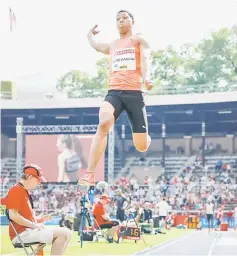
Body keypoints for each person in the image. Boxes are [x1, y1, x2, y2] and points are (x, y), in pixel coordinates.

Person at [79, 10, 153, 186]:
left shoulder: (138, 39)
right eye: (118, 19)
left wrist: (147, 77)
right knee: (104, 122)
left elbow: (146, 57)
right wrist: (89, 35)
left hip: (134, 92)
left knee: (141, 146)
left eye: (124, 18)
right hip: (114, 92)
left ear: (132, 21)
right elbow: (97, 46)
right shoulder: (113, 45)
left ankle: (146, 137)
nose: (121, 21)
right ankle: (89, 173)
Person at [5, 164, 71, 256]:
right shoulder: (16, 190)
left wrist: (41, 219)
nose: (39, 182)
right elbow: (13, 215)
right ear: (30, 177)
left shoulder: (23, 191)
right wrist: (34, 225)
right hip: (21, 234)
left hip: (27, 231)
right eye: (38, 179)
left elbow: (26, 218)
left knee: (67, 232)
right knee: (64, 233)